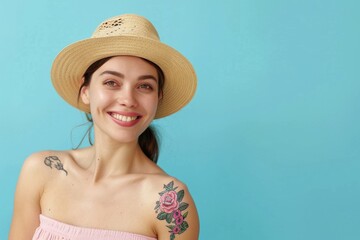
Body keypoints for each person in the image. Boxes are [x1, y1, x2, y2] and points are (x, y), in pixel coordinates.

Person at [9, 14, 199, 240]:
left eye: (144, 86)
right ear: (86, 90)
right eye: (112, 82)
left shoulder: (171, 202)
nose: (128, 99)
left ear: (158, 97)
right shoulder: (41, 171)